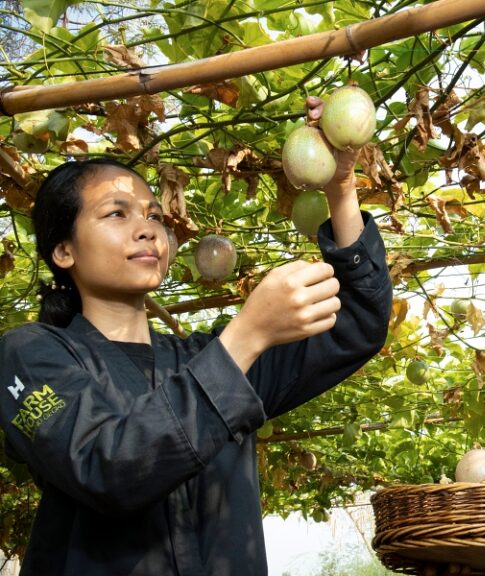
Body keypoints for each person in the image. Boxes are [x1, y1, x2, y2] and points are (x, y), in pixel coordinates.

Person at [0, 97, 392, 576]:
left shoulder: (209, 354)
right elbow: (110, 468)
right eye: (117, 215)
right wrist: (246, 336)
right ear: (63, 251)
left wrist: (342, 187)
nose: (147, 230)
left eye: (154, 216)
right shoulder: (30, 352)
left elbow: (358, 324)